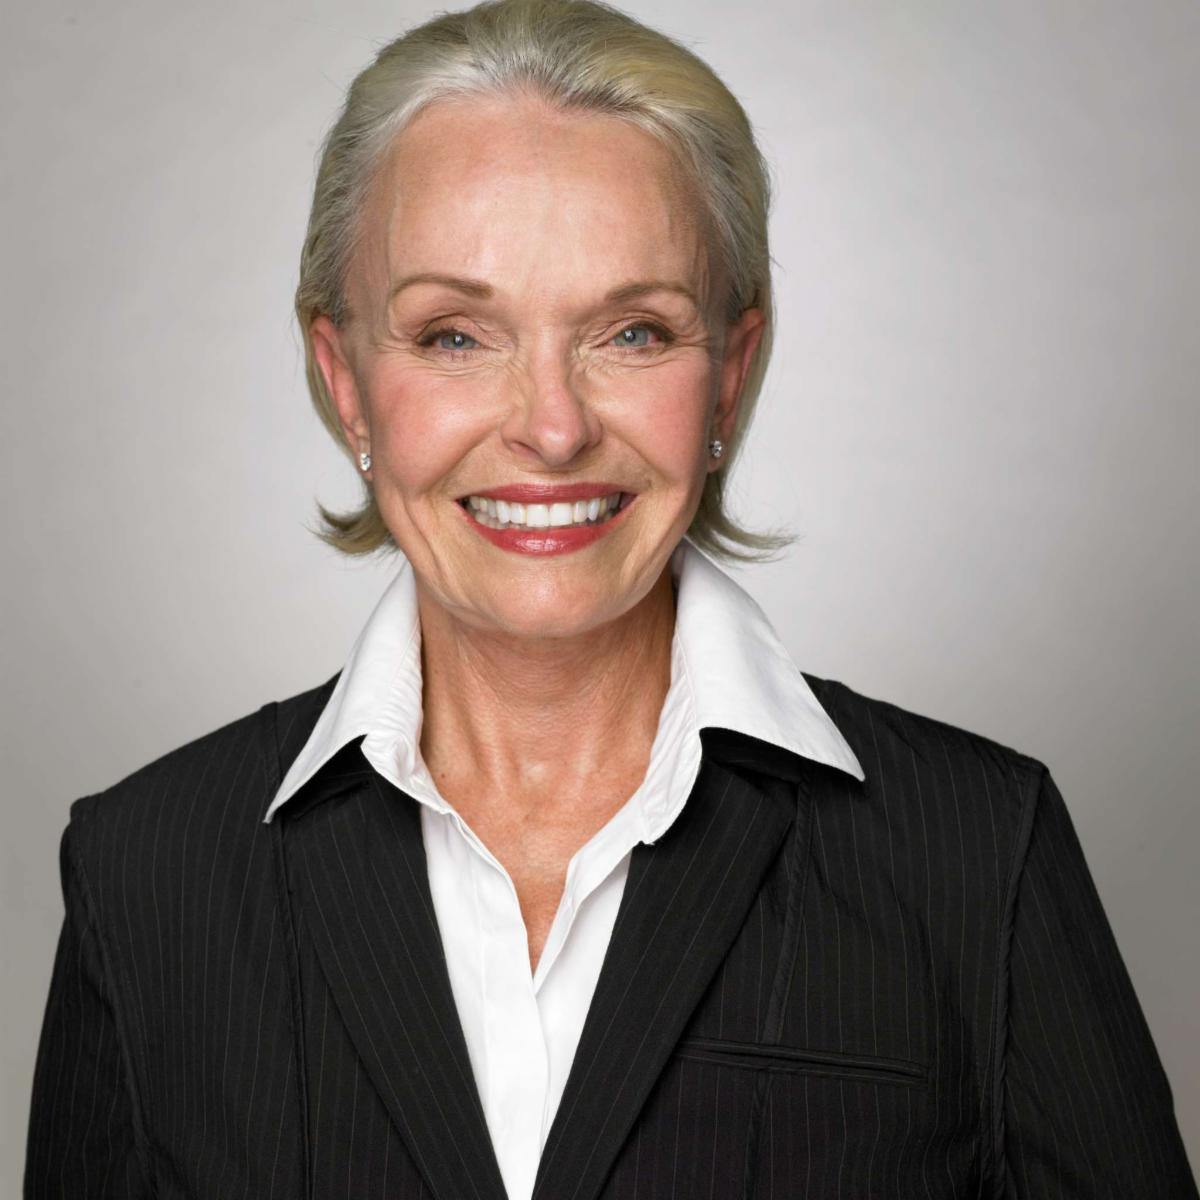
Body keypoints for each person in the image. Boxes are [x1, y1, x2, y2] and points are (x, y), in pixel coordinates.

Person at [23, 0, 1197, 1196]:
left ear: (728, 379)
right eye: (454, 336)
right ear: (346, 383)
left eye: (633, 332)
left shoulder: (978, 853)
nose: (552, 427)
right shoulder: (145, 876)